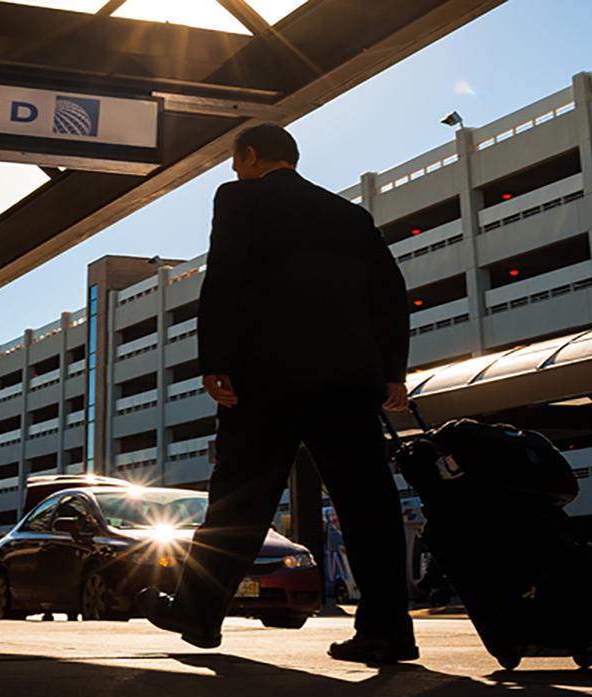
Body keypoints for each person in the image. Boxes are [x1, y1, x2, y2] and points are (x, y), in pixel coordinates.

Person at [138, 123, 415, 664]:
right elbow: (389, 294)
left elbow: (224, 277)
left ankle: (197, 613)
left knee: (239, 500)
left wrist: (214, 361)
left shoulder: (239, 198)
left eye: (235, 160)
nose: (233, 170)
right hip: (346, 379)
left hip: (267, 377)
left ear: (249, 155)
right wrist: (392, 372)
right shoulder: (349, 215)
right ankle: (388, 631)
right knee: (368, 504)